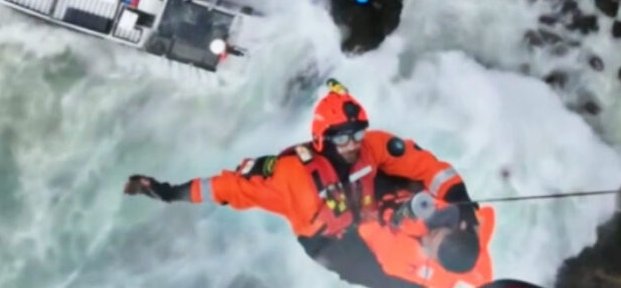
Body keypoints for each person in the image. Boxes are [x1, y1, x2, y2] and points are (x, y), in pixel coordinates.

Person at [123, 79, 481, 287]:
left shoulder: (372, 147)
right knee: (380, 280)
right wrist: (168, 191)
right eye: (343, 138)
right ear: (322, 138)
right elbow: (227, 187)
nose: (354, 144)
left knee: (408, 179)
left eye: (357, 134)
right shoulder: (289, 175)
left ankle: (432, 229)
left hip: (366, 201)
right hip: (329, 238)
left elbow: (427, 165)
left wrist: (460, 199)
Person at [357, 189, 496, 288]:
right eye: (442, 233)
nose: (431, 235)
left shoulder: (454, 278)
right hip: (385, 205)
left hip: (374, 250)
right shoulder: (441, 217)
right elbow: (488, 214)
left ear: (437, 261)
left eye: (434, 240)